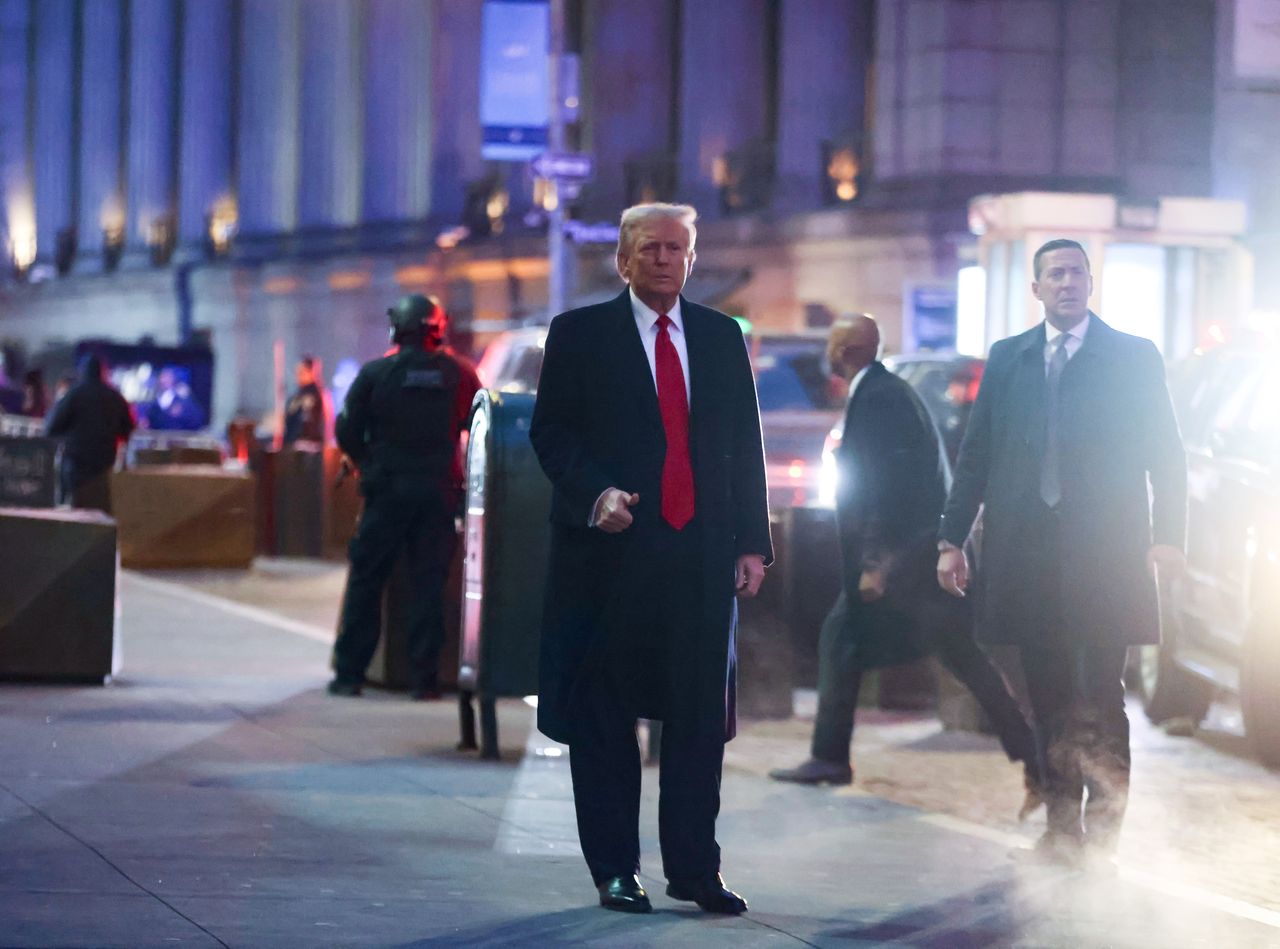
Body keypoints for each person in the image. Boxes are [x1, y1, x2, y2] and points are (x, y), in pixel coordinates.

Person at [529, 203, 772, 916]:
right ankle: (615, 869)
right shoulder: (580, 334)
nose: (666, 258)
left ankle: (695, 868)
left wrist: (753, 542)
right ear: (623, 259)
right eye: (651, 247)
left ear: (691, 259)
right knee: (606, 716)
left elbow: (743, 445)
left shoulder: (722, 337)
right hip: (610, 554)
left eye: (678, 248)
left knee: (698, 717)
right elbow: (552, 433)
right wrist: (593, 492)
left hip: (699, 553)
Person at [937, 239, 1186, 867]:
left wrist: (1168, 538)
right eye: (1055, 274)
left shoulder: (1131, 356)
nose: (1067, 282)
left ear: (1091, 281)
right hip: (1029, 556)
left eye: (1076, 272)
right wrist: (951, 537)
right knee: (1045, 697)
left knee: (1101, 694)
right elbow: (976, 454)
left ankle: (1103, 836)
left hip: (1107, 557)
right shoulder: (1010, 358)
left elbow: (1167, 453)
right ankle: (1060, 830)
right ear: (1037, 287)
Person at [770, 316, 1038, 809]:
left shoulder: (879, 397)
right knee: (954, 654)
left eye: (833, 341)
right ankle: (1033, 758)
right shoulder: (884, 390)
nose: (828, 349)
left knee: (848, 638)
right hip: (917, 554)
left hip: (908, 559)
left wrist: (875, 562)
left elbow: (886, 484)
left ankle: (830, 757)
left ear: (846, 349)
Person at [329, 294, 480, 700]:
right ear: (437, 329)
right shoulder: (460, 375)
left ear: (397, 329)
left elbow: (345, 429)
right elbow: (480, 429)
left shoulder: (376, 374)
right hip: (437, 496)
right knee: (428, 586)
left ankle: (349, 675)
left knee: (367, 581)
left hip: (386, 493)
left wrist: (363, 459)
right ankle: (424, 680)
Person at [46, 353, 135, 513]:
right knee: (101, 511)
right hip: (104, 465)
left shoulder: (73, 395)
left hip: (75, 465)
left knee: (73, 510)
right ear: (103, 372)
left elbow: (52, 427)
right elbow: (128, 427)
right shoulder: (115, 397)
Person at [283, 355, 331, 446]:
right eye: (297, 373)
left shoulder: (320, 394)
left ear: (311, 372)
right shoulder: (296, 396)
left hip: (311, 445)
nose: (298, 376)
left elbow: (325, 423)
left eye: (301, 372)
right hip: (293, 443)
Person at [141, 366, 205, 431]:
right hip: (157, 437)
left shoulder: (183, 399)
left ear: (173, 379)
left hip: (177, 437)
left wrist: (182, 413)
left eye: (167, 377)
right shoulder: (154, 400)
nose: (164, 380)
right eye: (162, 377)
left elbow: (197, 419)